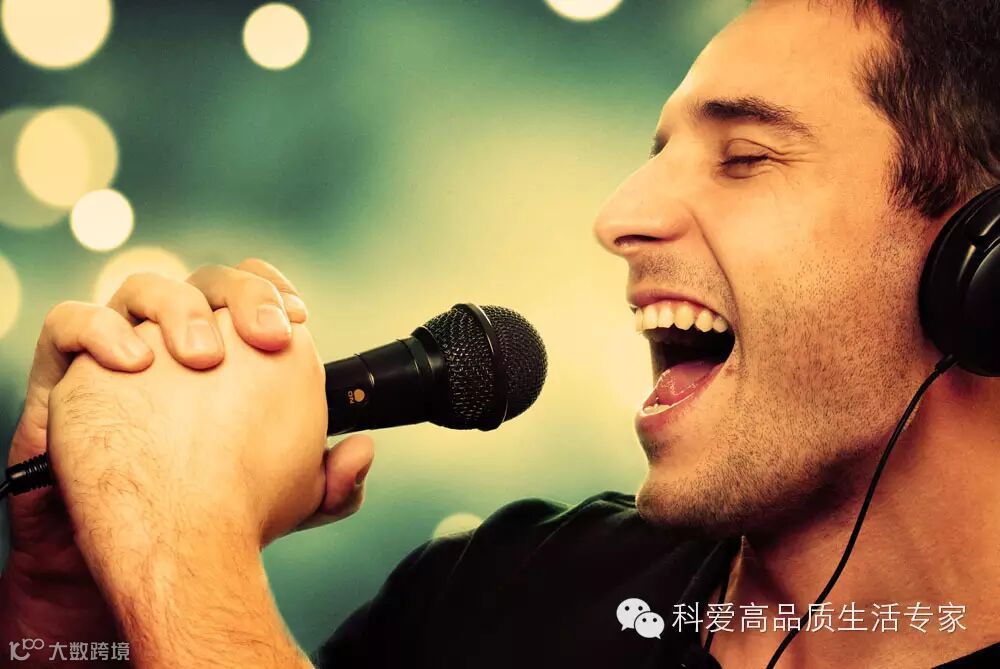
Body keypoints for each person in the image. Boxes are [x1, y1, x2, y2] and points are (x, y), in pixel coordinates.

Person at [2, 0, 999, 666]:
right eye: (655, 156)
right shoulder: (499, 589)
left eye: (743, 156)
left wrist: (184, 554)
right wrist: (73, 598)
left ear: (979, 267)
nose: (619, 216)